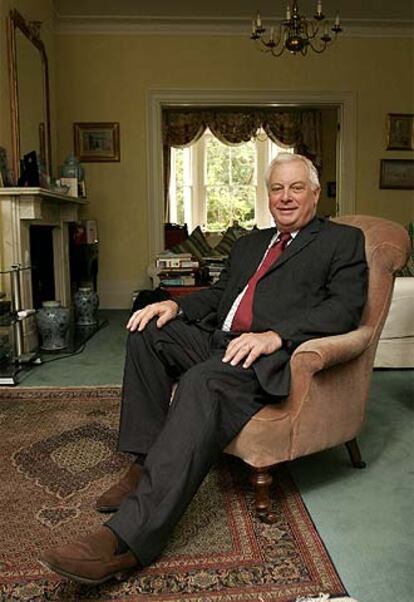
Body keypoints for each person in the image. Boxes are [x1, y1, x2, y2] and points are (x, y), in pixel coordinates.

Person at [40, 153, 368, 585]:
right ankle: (144, 462)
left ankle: (127, 540)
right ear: (268, 195)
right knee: (147, 331)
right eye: (277, 188)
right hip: (218, 341)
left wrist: (276, 336)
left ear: (314, 192)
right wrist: (173, 306)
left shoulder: (341, 241)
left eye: (295, 188)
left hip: (262, 357)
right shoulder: (251, 243)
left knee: (201, 381)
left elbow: (345, 309)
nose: (285, 197)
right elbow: (219, 296)